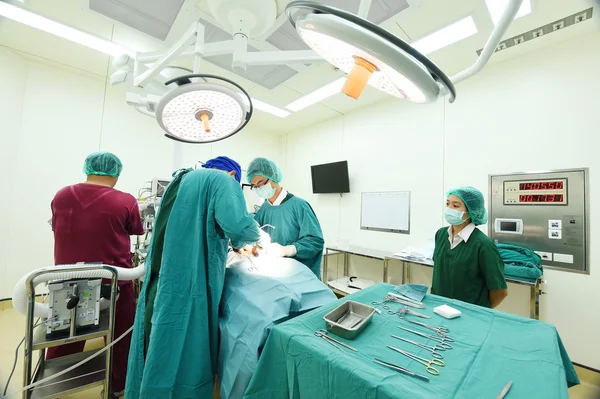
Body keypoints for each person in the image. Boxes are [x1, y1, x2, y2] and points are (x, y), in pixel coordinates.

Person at [126, 156, 263, 399]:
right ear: (233, 175)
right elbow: (239, 225)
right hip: (187, 285)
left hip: (161, 281)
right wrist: (256, 240)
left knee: (154, 342)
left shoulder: (181, 180)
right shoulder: (223, 181)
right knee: (181, 349)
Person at [48, 152, 144, 398]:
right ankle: (118, 385)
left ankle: (56, 383)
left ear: (87, 169)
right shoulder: (125, 200)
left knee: (63, 333)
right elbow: (136, 230)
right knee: (120, 337)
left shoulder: (62, 195)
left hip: (67, 280)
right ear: (116, 174)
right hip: (113, 281)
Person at [246, 157, 325, 278]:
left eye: (261, 183)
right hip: (275, 273)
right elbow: (254, 234)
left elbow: (315, 241)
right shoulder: (264, 209)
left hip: (300, 275)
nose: (259, 188)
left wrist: (287, 250)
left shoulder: (299, 206)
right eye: (255, 186)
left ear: (274, 176)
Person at [432, 186, 508, 309]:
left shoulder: (483, 245)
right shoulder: (441, 235)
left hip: (468, 315)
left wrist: (478, 312)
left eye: (456, 206)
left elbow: (500, 291)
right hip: (439, 307)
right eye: (447, 204)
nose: (449, 209)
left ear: (471, 211)